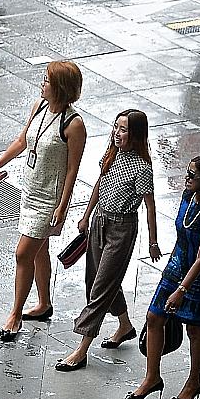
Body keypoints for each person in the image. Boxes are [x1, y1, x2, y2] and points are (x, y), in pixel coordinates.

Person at [0, 62, 88, 342]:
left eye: (46, 81)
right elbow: (22, 140)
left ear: (60, 88)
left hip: (49, 198)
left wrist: (63, 204)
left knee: (23, 254)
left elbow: (72, 169)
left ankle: (15, 314)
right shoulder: (39, 107)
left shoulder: (74, 124)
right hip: (30, 189)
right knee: (39, 251)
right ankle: (43, 304)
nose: (41, 84)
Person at [56, 109, 161, 372]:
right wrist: (86, 216)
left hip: (122, 229)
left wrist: (153, 241)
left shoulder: (142, 167)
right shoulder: (112, 154)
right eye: (116, 127)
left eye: (123, 129)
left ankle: (81, 349)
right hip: (99, 221)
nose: (117, 133)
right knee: (96, 279)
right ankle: (124, 326)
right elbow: (100, 184)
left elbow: (150, 206)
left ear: (135, 134)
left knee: (101, 288)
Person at [127, 156, 200, 399]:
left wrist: (181, 290)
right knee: (154, 317)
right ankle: (152, 377)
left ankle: (194, 382)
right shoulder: (188, 197)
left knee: (194, 329)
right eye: (188, 173)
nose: (187, 178)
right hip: (177, 264)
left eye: (193, 175)